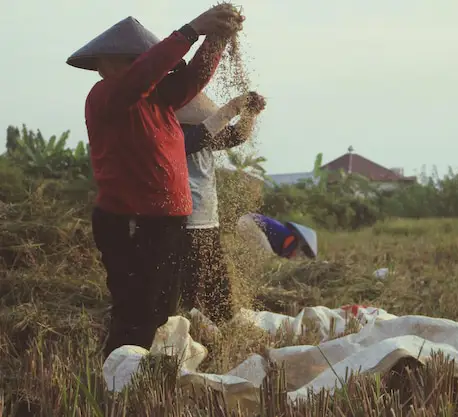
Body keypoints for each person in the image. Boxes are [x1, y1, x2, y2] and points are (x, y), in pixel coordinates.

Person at [66, 7, 244, 357]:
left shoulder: (159, 100)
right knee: (136, 306)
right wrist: (192, 30)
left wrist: (217, 37)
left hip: (167, 222)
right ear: (107, 64)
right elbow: (142, 76)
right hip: (129, 219)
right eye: (136, 61)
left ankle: (137, 370)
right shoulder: (105, 96)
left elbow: (193, 79)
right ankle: (121, 372)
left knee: (159, 306)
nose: (147, 69)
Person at [173, 90, 266, 322]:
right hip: (187, 222)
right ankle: (193, 336)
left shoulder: (205, 134)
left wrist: (250, 115)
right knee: (191, 291)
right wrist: (233, 107)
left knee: (217, 286)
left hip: (207, 220)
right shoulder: (174, 137)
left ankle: (223, 331)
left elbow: (235, 136)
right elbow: (197, 138)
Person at [236, 213, 318, 260]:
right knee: (267, 258)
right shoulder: (292, 240)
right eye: (305, 250)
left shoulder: (286, 236)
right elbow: (278, 259)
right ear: (301, 240)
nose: (301, 254)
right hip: (251, 222)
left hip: (246, 220)